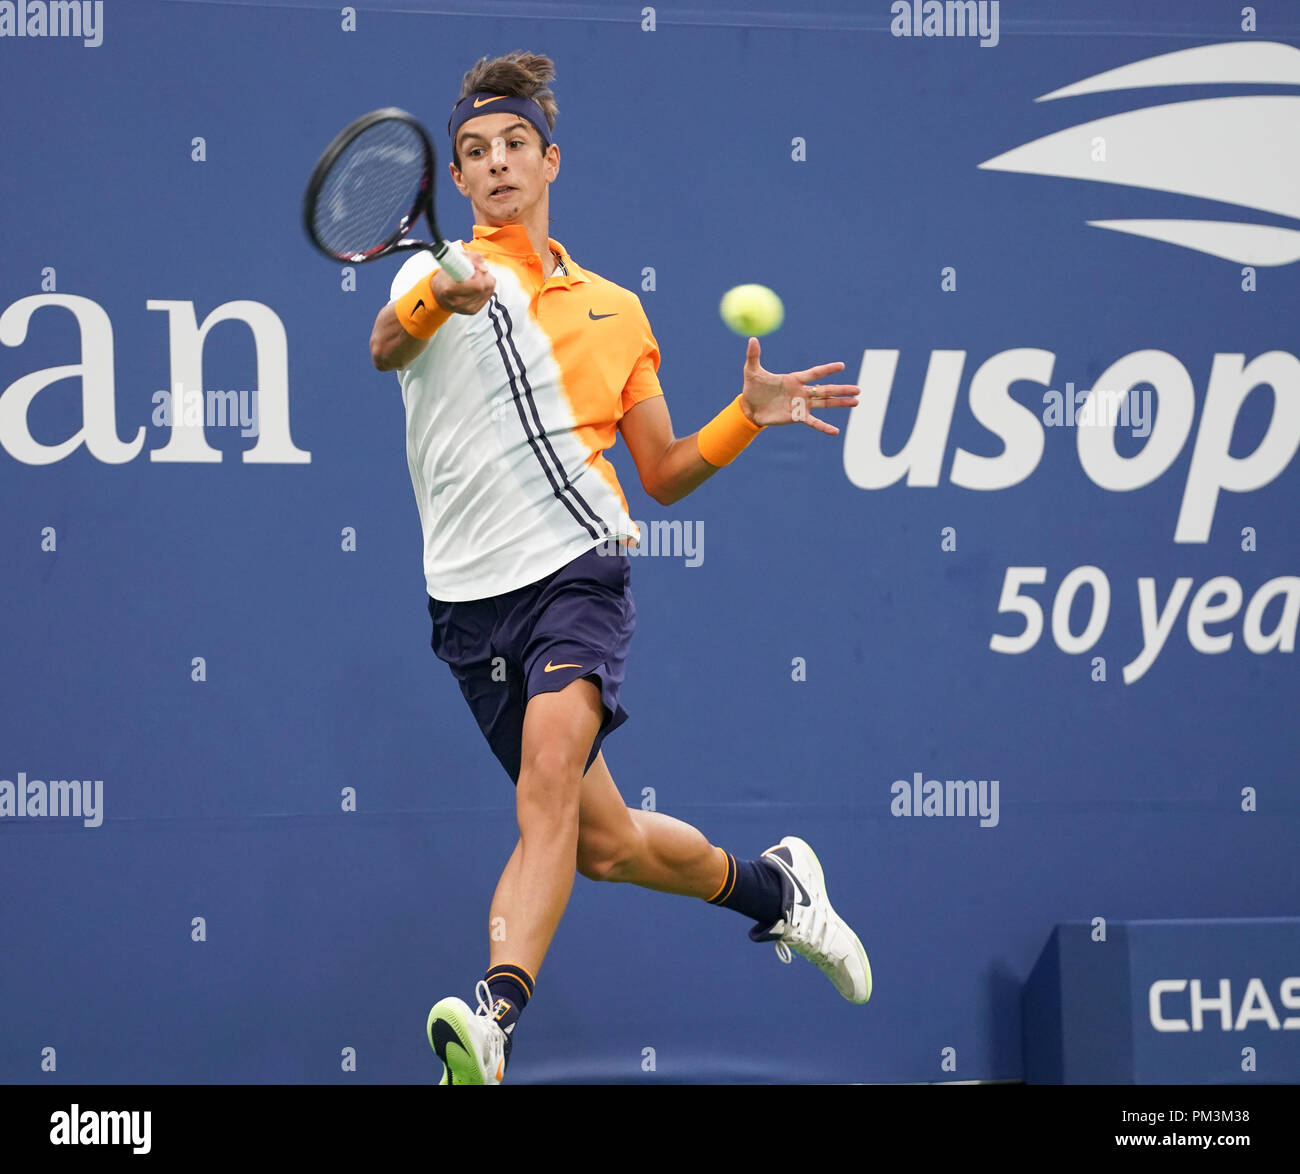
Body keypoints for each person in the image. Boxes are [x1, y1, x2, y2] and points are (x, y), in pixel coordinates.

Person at [369, 50, 871, 1085]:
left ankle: (495, 1016)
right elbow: (385, 343)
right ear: (455, 182)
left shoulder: (615, 310)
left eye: (513, 145)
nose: (496, 163)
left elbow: (664, 471)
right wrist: (441, 301)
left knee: (549, 777)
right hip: (468, 603)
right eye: (473, 153)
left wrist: (747, 415)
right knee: (602, 842)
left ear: (551, 159)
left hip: (576, 572)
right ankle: (777, 891)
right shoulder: (431, 274)